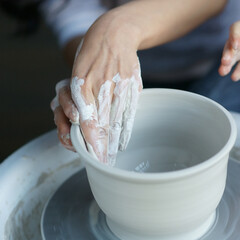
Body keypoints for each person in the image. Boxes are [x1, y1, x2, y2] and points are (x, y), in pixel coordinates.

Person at [43, 0, 240, 163]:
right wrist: (88, 72)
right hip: (133, 67)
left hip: (227, 55)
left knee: (207, 134)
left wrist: (117, 28)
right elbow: (75, 14)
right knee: (98, 129)